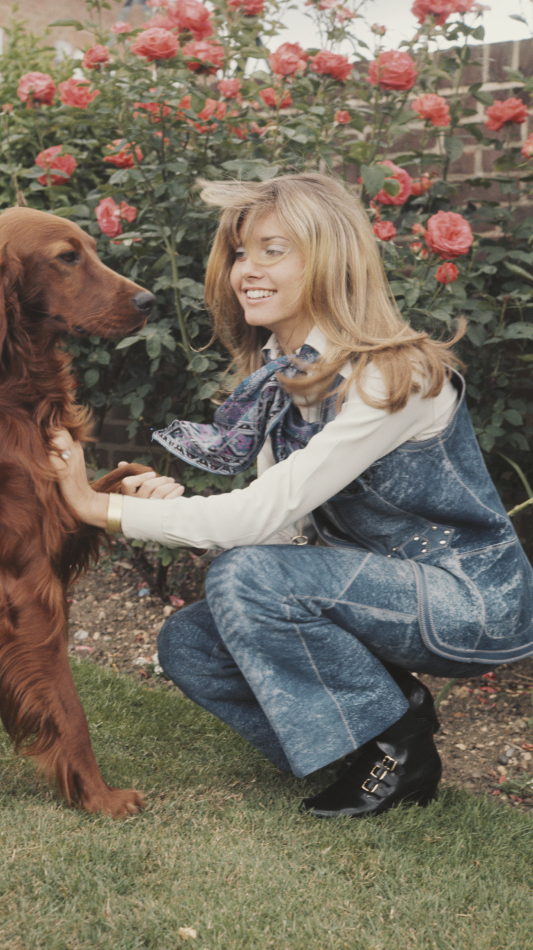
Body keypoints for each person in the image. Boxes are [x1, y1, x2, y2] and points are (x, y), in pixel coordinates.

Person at [50, 173, 533, 818]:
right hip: (377, 591)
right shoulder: (287, 381)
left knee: (246, 577)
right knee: (190, 642)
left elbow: (260, 520)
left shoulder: (397, 373)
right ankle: (369, 739)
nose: (245, 270)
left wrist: (95, 505)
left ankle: (400, 745)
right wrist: (164, 511)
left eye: (272, 250)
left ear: (329, 257)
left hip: (470, 600)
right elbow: (286, 530)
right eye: (242, 253)